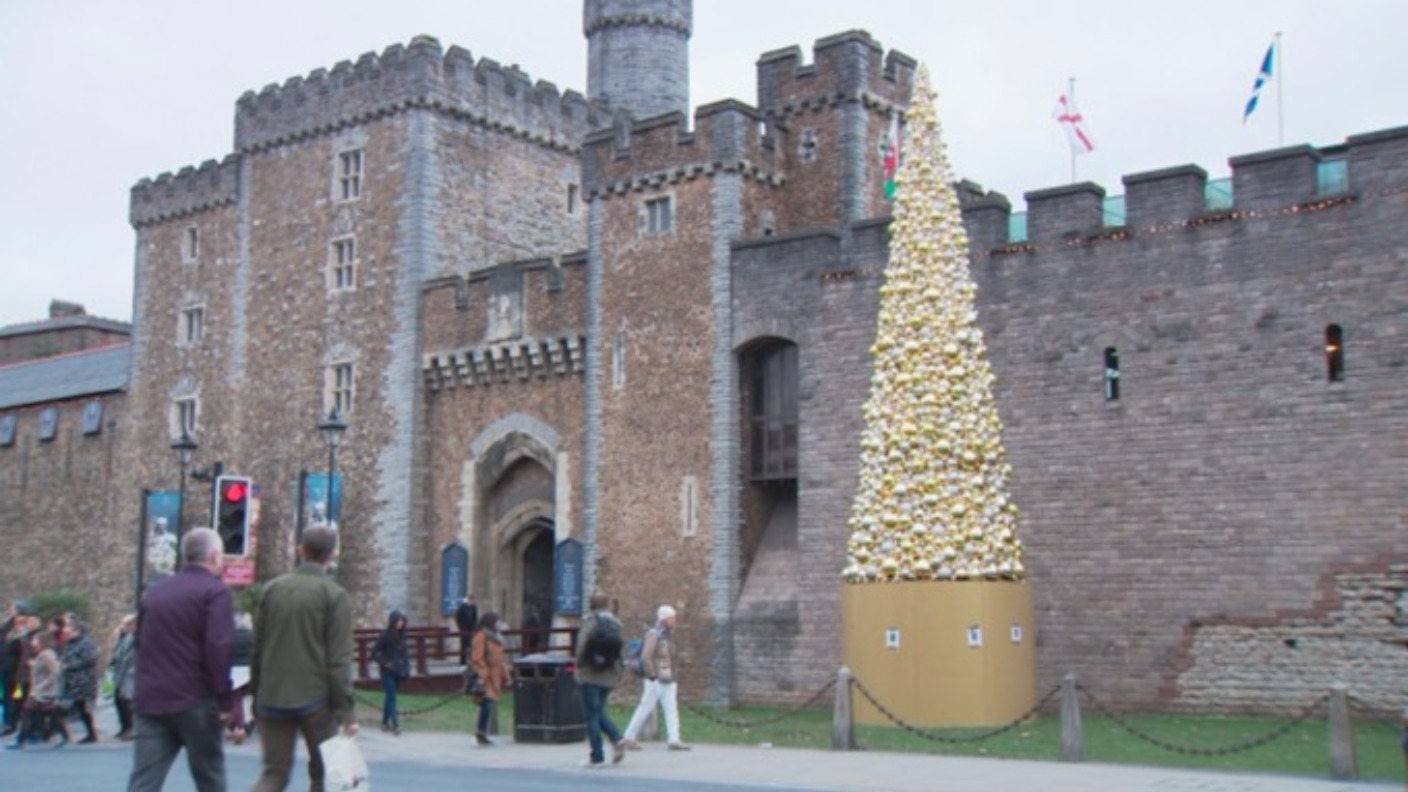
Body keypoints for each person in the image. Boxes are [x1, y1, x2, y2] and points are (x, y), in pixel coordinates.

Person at [248, 525, 358, 792]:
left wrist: (255, 693)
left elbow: (257, 648)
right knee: (323, 776)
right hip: (316, 699)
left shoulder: (271, 590)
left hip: (272, 696)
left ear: (300, 549)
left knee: (273, 775)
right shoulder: (335, 596)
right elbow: (338, 660)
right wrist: (346, 711)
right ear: (332, 554)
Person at [126, 527, 236, 792]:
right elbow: (218, 647)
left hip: (151, 698)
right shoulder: (215, 592)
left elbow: (141, 641)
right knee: (210, 778)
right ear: (213, 556)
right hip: (195, 698)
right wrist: (224, 698)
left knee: (144, 781)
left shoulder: (155, 592)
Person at [620, 604, 691, 751]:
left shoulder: (668, 634)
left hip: (668, 678)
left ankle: (674, 739)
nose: (675, 620)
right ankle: (628, 737)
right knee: (644, 708)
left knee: (671, 709)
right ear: (664, 619)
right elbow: (646, 656)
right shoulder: (654, 634)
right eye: (672, 618)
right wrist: (652, 674)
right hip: (656, 679)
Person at [574, 592, 626, 768]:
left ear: (591, 605)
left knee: (592, 716)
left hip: (590, 674)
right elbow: (619, 651)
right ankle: (617, 739)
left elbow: (581, 648)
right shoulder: (615, 624)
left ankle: (597, 756)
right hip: (608, 675)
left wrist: (578, 666)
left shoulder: (590, 623)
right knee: (598, 711)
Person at [9, 628, 69, 748]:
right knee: (52, 713)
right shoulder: (41, 654)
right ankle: (64, 736)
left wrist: (44, 685)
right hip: (41, 691)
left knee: (27, 712)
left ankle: (21, 740)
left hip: (42, 692)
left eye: (35, 639)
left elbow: (55, 671)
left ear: (41, 641)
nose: (33, 641)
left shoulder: (46, 654)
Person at [468, 611, 511, 746]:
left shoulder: (496, 638)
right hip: (486, 675)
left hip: (495, 674)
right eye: (496, 621)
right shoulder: (481, 637)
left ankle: (482, 732)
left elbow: (501, 660)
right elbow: (477, 657)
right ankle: (481, 732)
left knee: (489, 703)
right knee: (487, 702)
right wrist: (482, 673)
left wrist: (507, 675)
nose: (499, 624)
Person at [59, 614, 100, 743]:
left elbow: (89, 660)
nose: (65, 631)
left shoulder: (85, 643)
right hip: (71, 680)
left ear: (76, 630)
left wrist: (69, 666)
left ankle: (89, 734)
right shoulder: (69, 643)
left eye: (68, 629)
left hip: (82, 680)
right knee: (80, 708)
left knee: (79, 706)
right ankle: (90, 733)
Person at [371, 610, 410, 735]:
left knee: (389, 697)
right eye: (398, 621)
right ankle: (395, 724)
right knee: (392, 697)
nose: (400, 624)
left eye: (402, 621)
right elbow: (375, 652)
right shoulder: (385, 635)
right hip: (387, 671)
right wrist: (386, 663)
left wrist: (406, 669)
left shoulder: (402, 636)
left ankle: (384, 722)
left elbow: (405, 655)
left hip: (398, 671)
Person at [108, 614, 138, 741]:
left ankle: (130, 728)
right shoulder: (124, 637)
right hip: (120, 673)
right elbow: (116, 654)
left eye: (126, 624)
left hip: (130, 674)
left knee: (127, 702)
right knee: (119, 701)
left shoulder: (136, 638)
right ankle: (124, 727)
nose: (123, 626)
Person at [455, 594, 478, 665]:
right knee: (464, 646)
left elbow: (475, 617)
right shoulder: (462, 607)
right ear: (468, 599)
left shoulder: (474, 607)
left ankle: (472, 660)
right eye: (471, 599)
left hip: (471, 629)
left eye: (473, 600)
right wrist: (461, 627)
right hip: (464, 629)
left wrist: (475, 627)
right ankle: (463, 661)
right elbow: (458, 617)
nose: (472, 601)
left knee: (472, 645)